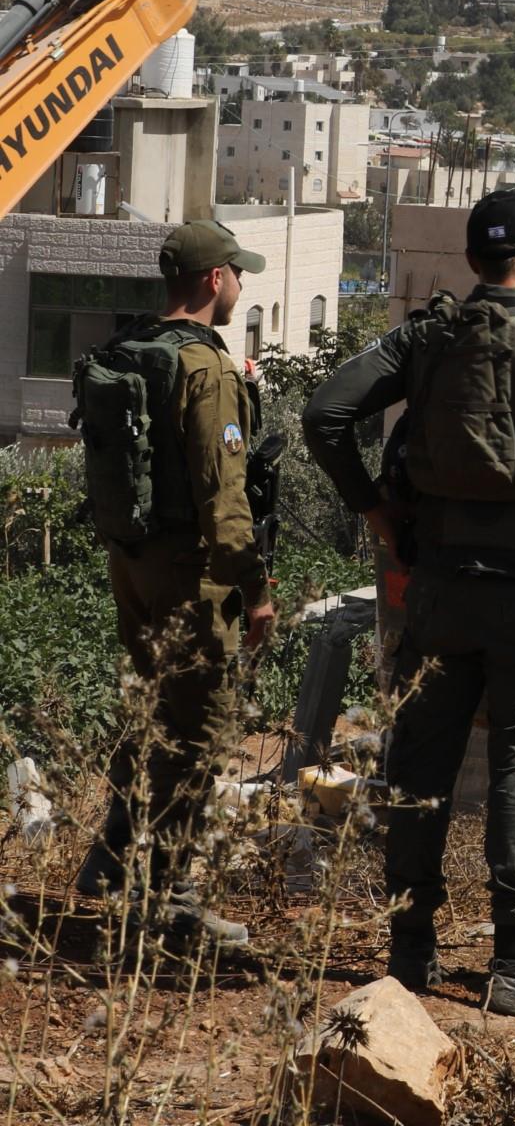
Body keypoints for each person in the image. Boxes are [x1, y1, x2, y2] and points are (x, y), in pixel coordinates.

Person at [302, 189, 515, 1018]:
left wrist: (377, 511)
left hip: (440, 592)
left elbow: (326, 413)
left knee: (419, 765)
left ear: (471, 262)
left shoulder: (427, 339)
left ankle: (409, 952)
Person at [71, 220, 278, 952]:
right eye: (236, 274)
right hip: (190, 570)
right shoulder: (204, 367)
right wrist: (254, 588)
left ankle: (110, 855)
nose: (240, 286)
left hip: (131, 559)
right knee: (193, 730)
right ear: (211, 279)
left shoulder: (130, 347)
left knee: (154, 705)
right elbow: (225, 499)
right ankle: (173, 905)